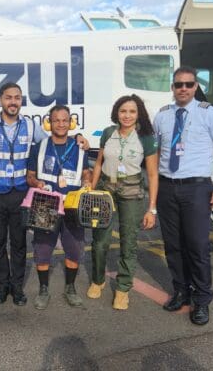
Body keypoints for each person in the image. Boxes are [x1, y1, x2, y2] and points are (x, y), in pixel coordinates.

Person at [0, 83, 90, 306]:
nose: (13, 101)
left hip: (20, 193)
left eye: (17, 97)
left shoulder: (30, 126)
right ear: (0, 99)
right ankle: (3, 286)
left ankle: (18, 287)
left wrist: (79, 137)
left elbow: (58, 139)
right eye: (8, 97)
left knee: (19, 243)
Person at [153, 66, 213, 326]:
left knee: (198, 247)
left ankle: (201, 300)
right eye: (179, 84)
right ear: (172, 87)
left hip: (197, 188)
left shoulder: (209, 114)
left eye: (189, 84)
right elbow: (155, 152)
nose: (184, 89)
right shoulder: (163, 116)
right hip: (168, 186)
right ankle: (181, 291)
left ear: (196, 86)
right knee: (173, 246)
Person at [88, 94, 158, 310]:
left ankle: (122, 289)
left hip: (132, 191)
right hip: (106, 190)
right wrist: (91, 187)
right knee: (100, 241)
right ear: (116, 113)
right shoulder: (109, 133)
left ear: (139, 114)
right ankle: (98, 280)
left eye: (132, 111)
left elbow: (153, 175)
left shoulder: (146, 137)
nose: (127, 116)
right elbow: (99, 163)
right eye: (123, 111)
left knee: (129, 241)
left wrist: (151, 209)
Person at [26, 105, 92, 310]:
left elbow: (86, 173)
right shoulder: (39, 146)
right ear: (49, 123)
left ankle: (70, 288)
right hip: (46, 204)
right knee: (43, 249)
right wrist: (36, 183)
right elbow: (29, 175)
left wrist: (88, 182)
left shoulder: (80, 147)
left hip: (72, 205)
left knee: (74, 249)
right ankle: (43, 289)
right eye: (56, 120)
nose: (61, 124)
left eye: (65, 120)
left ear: (71, 122)